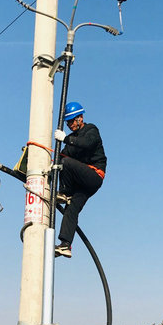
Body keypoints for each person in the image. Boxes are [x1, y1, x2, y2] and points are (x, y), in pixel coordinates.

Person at [53, 101, 107, 258]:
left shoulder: (91, 130)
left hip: (94, 176)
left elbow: (87, 144)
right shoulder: (71, 139)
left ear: (80, 118)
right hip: (82, 183)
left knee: (66, 163)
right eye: (68, 122)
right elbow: (62, 156)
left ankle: (64, 192)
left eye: (72, 121)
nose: (70, 125)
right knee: (71, 209)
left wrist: (65, 139)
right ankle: (65, 245)